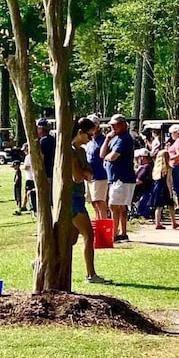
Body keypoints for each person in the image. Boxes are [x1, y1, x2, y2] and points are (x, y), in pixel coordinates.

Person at [71, 118, 112, 284]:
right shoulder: (68, 151)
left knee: (70, 239)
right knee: (89, 234)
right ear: (80, 132)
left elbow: (89, 173)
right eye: (89, 135)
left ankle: (41, 259)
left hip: (79, 196)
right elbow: (77, 177)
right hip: (71, 198)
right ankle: (91, 275)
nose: (91, 138)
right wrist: (83, 173)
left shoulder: (80, 151)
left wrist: (83, 172)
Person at [100, 114, 136, 242]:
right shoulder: (115, 138)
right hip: (115, 178)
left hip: (122, 177)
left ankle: (114, 233)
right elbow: (102, 154)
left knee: (114, 205)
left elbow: (113, 156)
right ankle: (122, 232)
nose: (112, 127)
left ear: (123, 125)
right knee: (119, 206)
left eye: (114, 125)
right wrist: (107, 139)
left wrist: (107, 157)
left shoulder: (124, 138)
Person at [84, 114, 109, 221]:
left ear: (97, 126)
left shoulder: (103, 140)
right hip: (90, 176)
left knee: (100, 203)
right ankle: (98, 225)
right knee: (94, 203)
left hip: (100, 176)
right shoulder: (89, 141)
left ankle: (104, 226)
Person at [151, 149, 179, 230]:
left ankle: (157, 223)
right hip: (165, 188)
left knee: (159, 207)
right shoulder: (168, 168)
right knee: (171, 205)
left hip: (157, 188)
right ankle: (173, 222)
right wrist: (170, 192)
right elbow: (168, 181)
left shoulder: (156, 169)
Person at [36, 118, 56, 201]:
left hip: (47, 174)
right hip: (53, 172)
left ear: (41, 129)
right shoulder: (53, 139)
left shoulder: (43, 141)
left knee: (46, 198)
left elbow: (41, 158)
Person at [167, 124, 179, 211]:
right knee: (178, 185)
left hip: (176, 165)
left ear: (176, 133)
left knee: (177, 185)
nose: (171, 135)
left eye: (172, 133)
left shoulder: (178, 142)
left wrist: (168, 158)